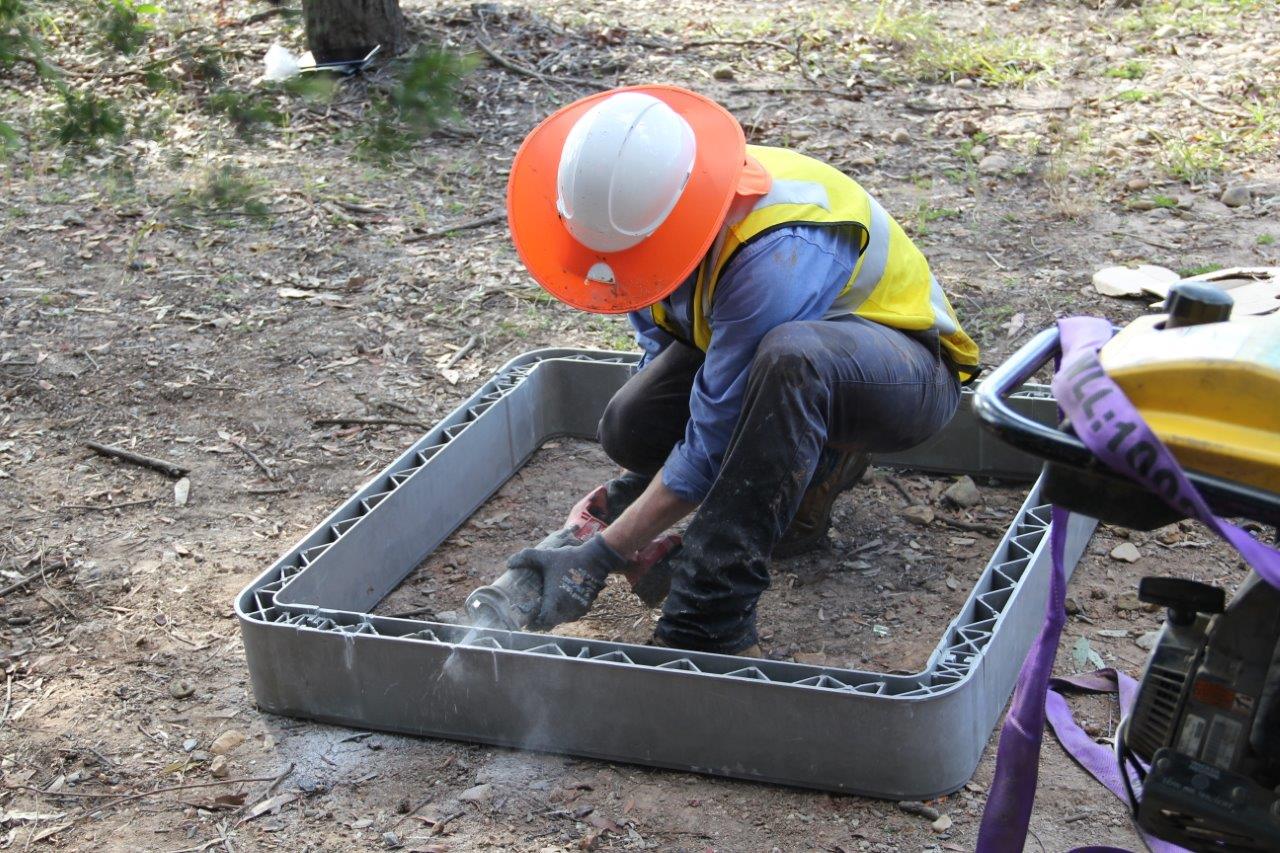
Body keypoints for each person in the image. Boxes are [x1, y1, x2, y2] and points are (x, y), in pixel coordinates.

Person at [502, 85, 980, 657]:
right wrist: (631, 505)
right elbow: (684, 393)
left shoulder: (775, 250)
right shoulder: (636, 236)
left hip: (902, 377)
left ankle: (709, 616)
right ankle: (802, 462)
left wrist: (602, 555)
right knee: (631, 423)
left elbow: (715, 437)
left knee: (793, 358)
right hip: (785, 365)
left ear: (675, 218)